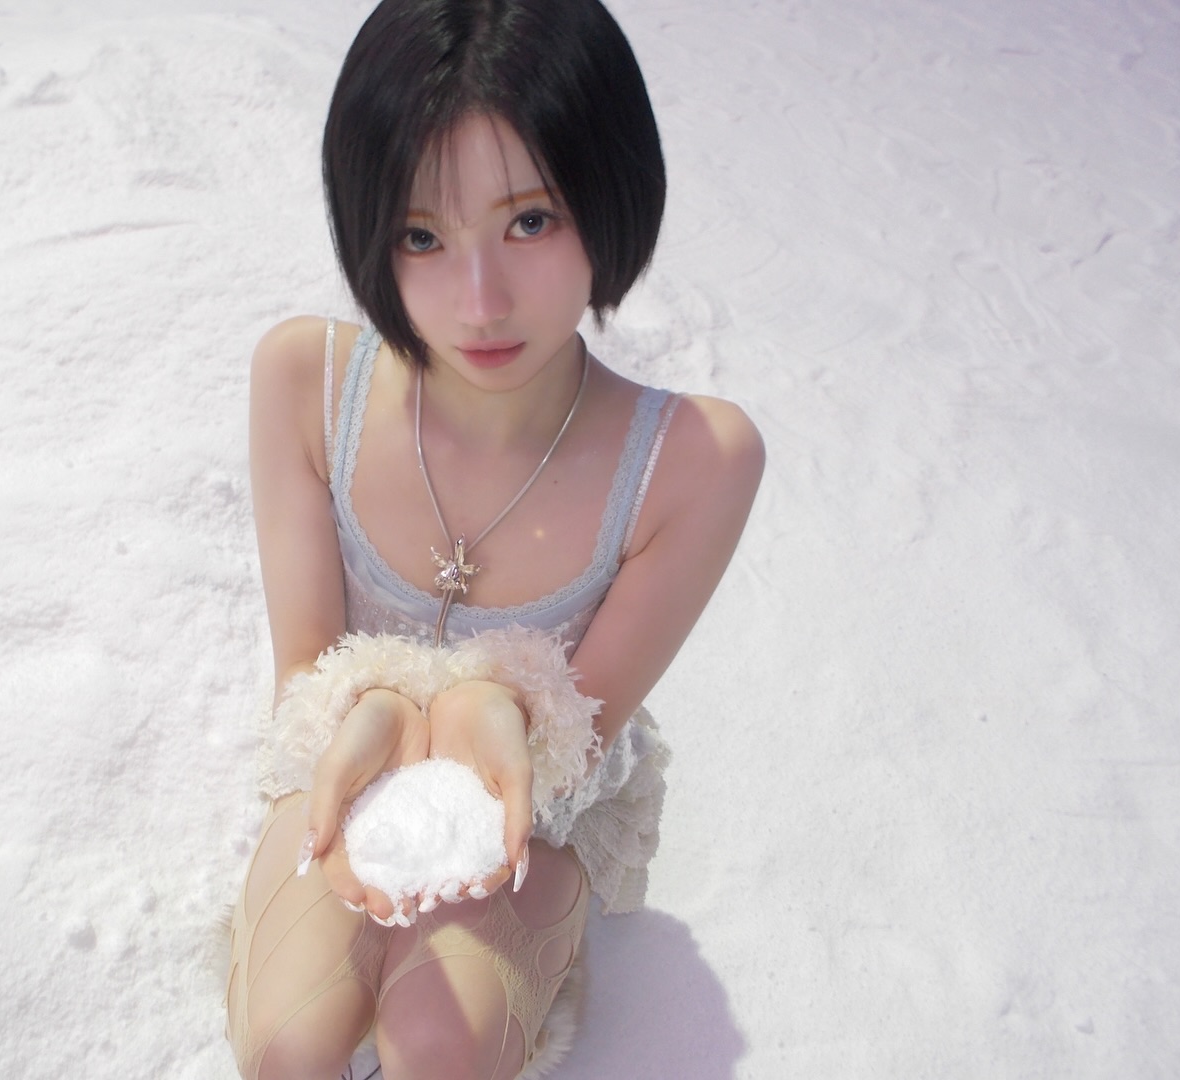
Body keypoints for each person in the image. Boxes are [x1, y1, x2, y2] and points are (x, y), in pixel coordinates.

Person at [224, 0, 764, 1077]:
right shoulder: (306, 384)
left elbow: (577, 741)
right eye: (422, 235)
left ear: (609, 191)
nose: (480, 302)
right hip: (350, 751)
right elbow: (306, 679)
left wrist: (493, 715)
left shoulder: (695, 460)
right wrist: (376, 715)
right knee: (289, 1048)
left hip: (540, 795)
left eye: (530, 221)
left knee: (440, 1049)